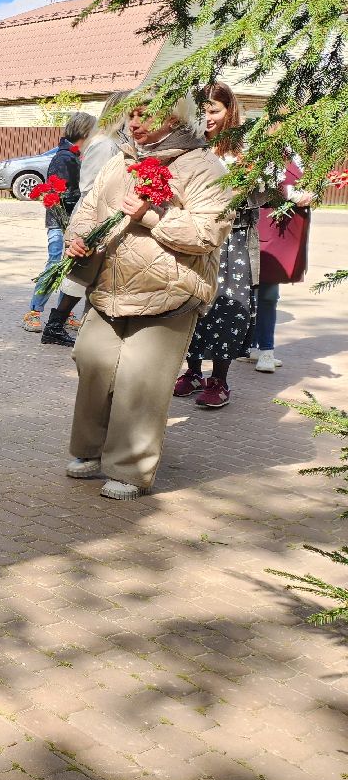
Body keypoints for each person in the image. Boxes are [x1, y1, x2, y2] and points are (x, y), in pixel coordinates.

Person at [63, 90, 232, 500]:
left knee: (142, 379)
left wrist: (151, 215)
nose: (133, 123)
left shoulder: (205, 167)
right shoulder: (123, 161)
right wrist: (77, 238)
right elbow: (88, 209)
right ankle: (90, 450)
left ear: (174, 118)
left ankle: (129, 468)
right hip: (111, 286)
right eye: (129, 116)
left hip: (169, 292)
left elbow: (207, 234)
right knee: (92, 360)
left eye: (143, 115)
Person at [171, 84, 262, 408]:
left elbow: (263, 193)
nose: (207, 118)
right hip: (194, 234)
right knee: (192, 300)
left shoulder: (243, 149)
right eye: (202, 111)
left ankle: (219, 379)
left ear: (229, 111)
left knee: (227, 306)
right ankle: (193, 372)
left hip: (232, 238)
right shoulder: (186, 146)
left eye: (214, 111)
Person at [36, 94, 131, 347]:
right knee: (81, 273)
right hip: (97, 215)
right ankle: (55, 325)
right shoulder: (105, 143)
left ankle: (62, 324)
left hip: (109, 214)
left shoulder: (119, 141)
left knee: (87, 274)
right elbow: (91, 186)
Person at [24, 111, 96, 344]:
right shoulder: (64, 158)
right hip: (60, 222)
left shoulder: (78, 155)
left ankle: (65, 314)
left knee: (70, 268)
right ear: (85, 132)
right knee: (55, 265)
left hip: (71, 222)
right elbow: (59, 194)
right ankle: (34, 312)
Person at [253, 140, 316, 373]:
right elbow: (261, 183)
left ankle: (257, 346)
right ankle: (265, 350)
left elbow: (315, 183)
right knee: (266, 290)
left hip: (294, 228)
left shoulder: (310, 156)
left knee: (266, 289)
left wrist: (313, 193)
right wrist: (290, 193)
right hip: (271, 225)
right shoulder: (275, 150)